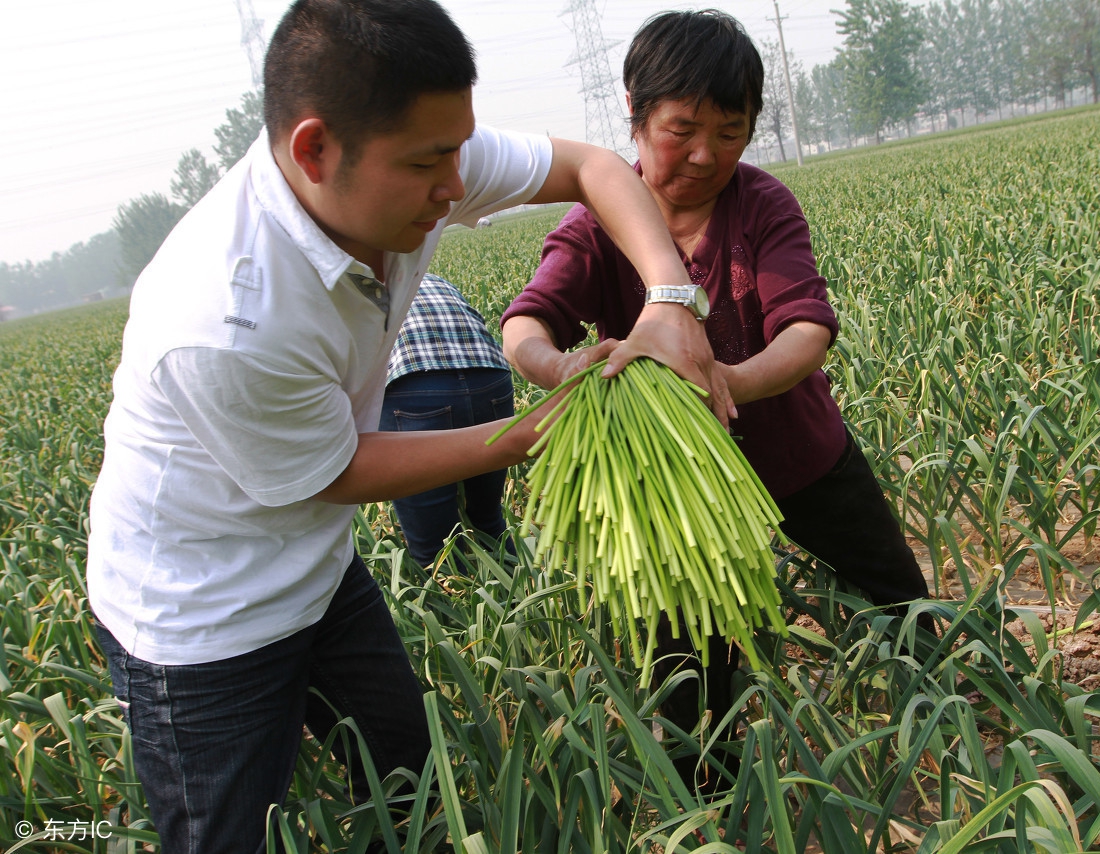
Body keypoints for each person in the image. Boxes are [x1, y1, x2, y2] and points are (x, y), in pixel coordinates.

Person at [85, 1, 726, 849]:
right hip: (201, 622)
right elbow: (334, 471)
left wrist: (670, 299)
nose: (458, 187)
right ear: (314, 150)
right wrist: (534, 430)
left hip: (318, 570)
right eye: (431, 163)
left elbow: (595, 167)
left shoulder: (406, 158)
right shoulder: (225, 314)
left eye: (459, 149)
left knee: (412, 789)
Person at [500, 9, 931, 793]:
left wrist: (727, 380)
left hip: (799, 457)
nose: (705, 155)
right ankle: (710, 794)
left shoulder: (761, 204)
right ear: (634, 111)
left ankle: (949, 709)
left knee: (899, 597)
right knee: (691, 659)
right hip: (678, 493)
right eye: (682, 129)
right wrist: (559, 368)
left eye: (731, 132)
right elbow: (527, 322)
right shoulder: (597, 224)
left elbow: (806, 329)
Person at [381, 273, 516, 565]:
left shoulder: (352, 287)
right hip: (490, 376)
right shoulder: (428, 277)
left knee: (435, 548)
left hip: (415, 387)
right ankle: (517, 597)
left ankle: (449, 600)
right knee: (489, 521)